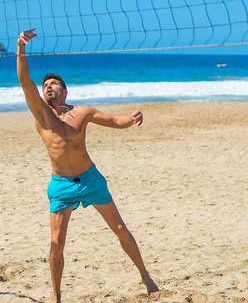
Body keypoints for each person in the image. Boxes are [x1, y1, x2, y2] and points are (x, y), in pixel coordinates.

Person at [16, 29, 160, 302]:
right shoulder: (41, 114)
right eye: (46, 84)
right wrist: (21, 49)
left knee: (120, 229)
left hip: (90, 179)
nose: (48, 86)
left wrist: (130, 118)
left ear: (65, 90)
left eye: (54, 83)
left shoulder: (81, 112)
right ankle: (56, 296)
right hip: (61, 186)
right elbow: (24, 80)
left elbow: (113, 120)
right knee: (56, 245)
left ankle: (146, 277)